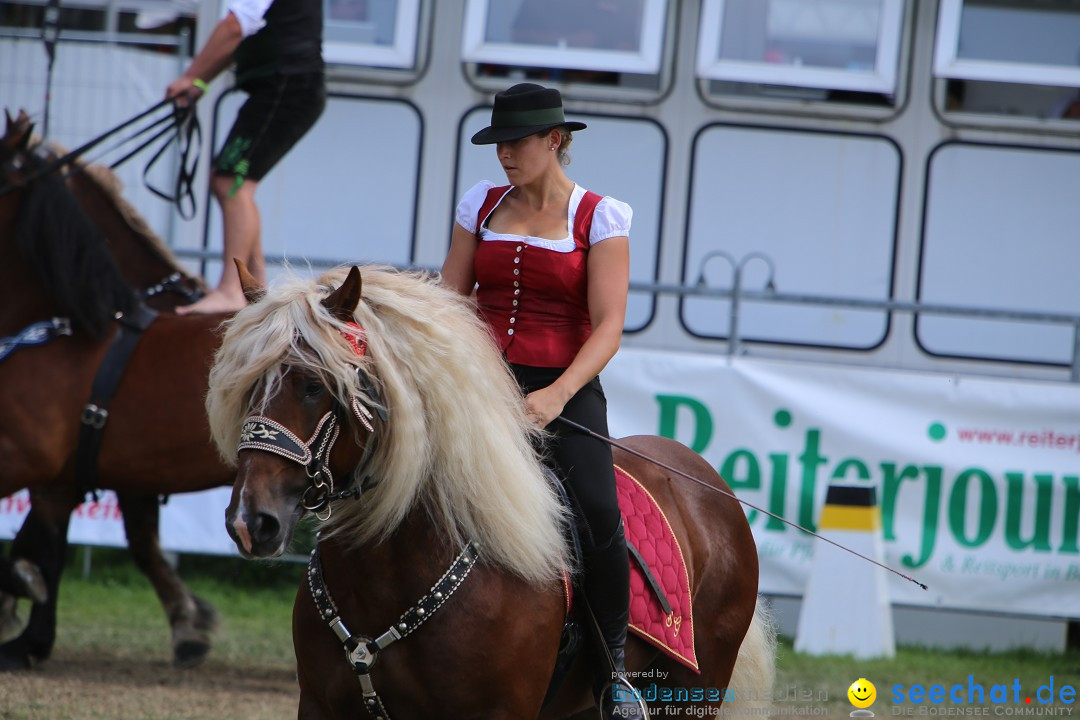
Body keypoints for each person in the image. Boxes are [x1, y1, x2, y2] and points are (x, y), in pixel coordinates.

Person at [441, 83, 644, 719]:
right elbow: (450, 298)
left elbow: (608, 325)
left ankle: (613, 672)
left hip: (565, 384)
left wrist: (556, 395)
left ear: (555, 140)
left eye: (517, 142)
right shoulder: (480, 203)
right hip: (480, 381)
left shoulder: (601, 217)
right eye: (498, 143)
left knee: (596, 511)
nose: (504, 154)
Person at [165, 0, 326, 314]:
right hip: (286, 86)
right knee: (228, 180)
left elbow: (236, 26)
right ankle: (253, 288)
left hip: (287, 85)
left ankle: (232, 290)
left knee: (232, 183)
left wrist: (192, 77)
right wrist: (196, 83)